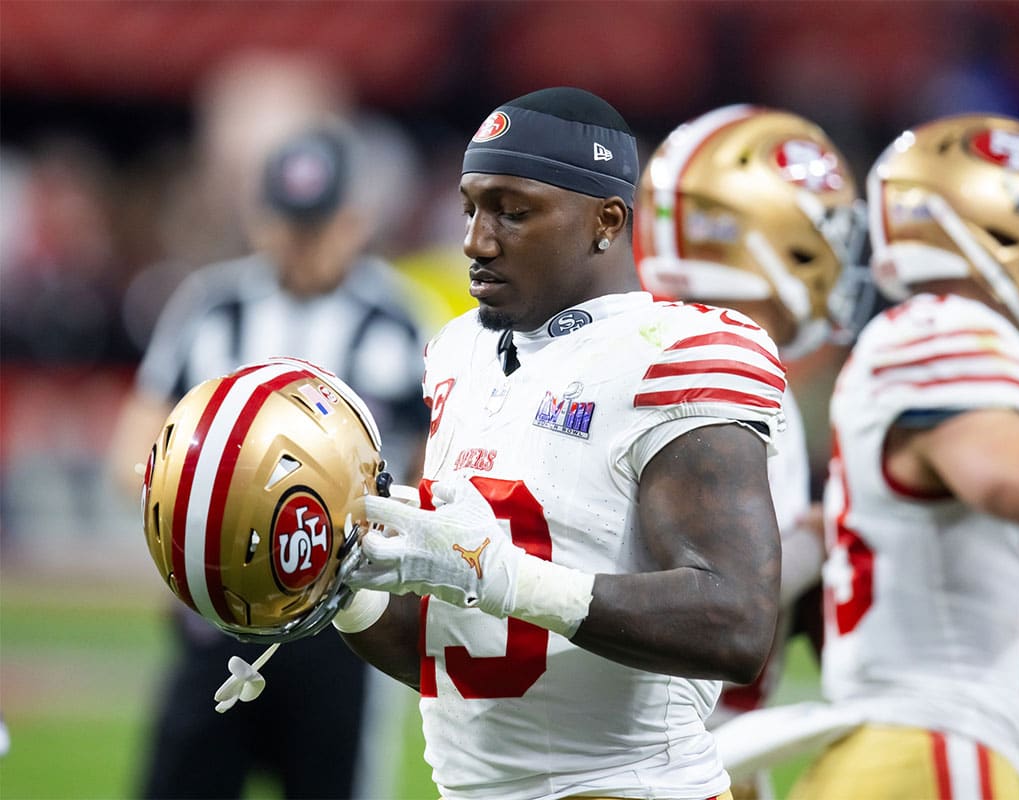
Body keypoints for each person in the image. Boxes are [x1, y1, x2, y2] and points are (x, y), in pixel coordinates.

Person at [331, 86, 786, 800]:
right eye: (471, 207)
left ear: (606, 221)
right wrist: (344, 590)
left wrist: (500, 575)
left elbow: (735, 624)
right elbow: (460, 657)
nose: (475, 241)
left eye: (513, 212)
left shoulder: (679, 351)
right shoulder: (457, 355)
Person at [783, 113, 1019, 799]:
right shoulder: (945, 331)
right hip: (927, 760)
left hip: (905, 755)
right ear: (995, 229)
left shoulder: (930, 341)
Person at [108, 122, 432, 799]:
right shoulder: (211, 307)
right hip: (214, 610)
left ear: (353, 221)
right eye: (289, 224)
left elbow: (433, 477)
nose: (301, 244)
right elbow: (136, 446)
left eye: (317, 226)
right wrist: (196, 517)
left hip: (341, 622)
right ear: (261, 220)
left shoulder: (401, 319)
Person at [632, 103, 872, 800]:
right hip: (664, 755)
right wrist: (826, 542)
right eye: (824, 232)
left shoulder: (641, 346)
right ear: (774, 239)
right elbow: (710, 585)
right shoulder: (732, 377)